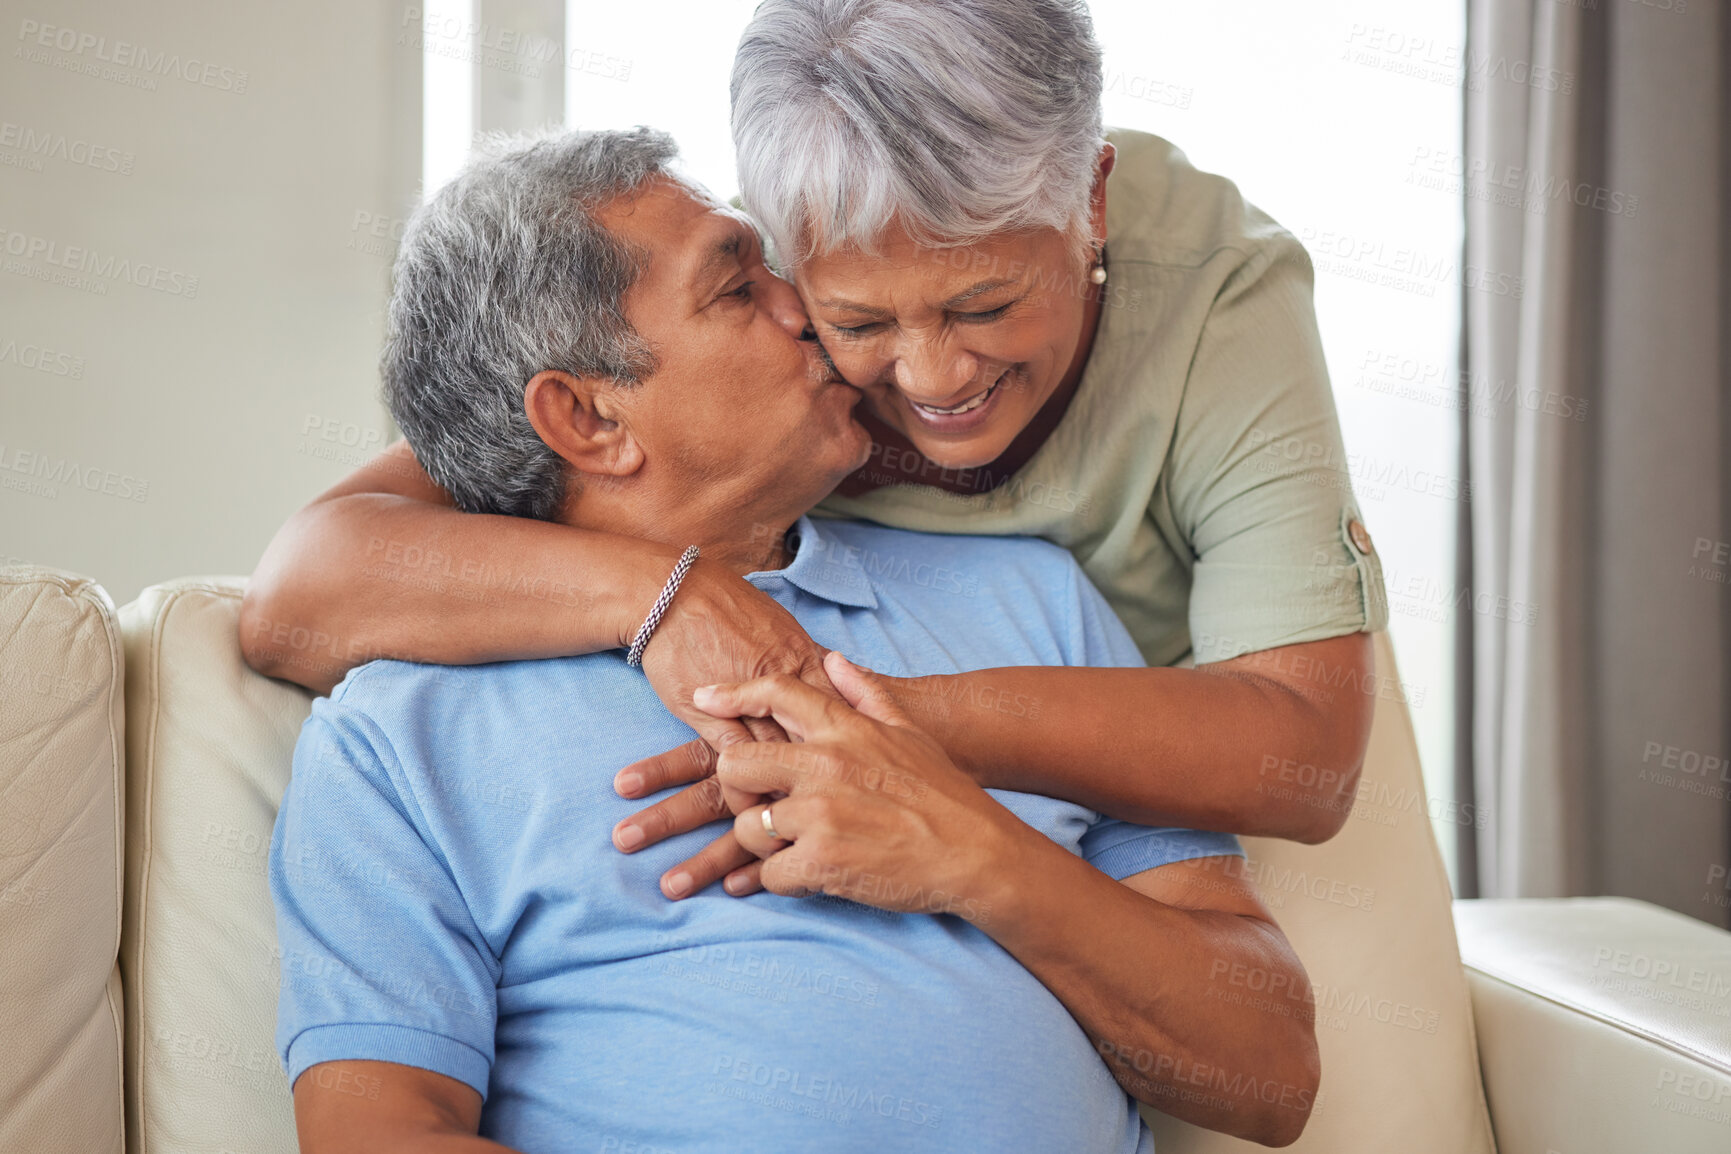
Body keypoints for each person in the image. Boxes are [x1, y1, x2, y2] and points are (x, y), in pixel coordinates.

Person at [272, 128, 1318, 1153]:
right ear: (590, 420)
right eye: (738, 287)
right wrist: (667, 595)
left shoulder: (1034, 598)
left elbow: (1269, 1069)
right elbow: (377, 1134)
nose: (807, 307)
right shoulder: (398, 733)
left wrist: (970, 849)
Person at [241, 0, 1386, 904]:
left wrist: (855, 720)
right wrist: (665, 591)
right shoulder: (754, 285)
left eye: (985, 303)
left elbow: (1309, 753)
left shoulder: (1219, 296)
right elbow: (309, 585)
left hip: (1095, 804)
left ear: (1090, 202)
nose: (934, 377)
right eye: (862, 321)